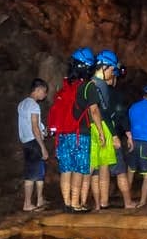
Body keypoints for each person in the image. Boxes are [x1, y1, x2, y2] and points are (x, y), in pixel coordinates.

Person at [73, 50, 121, 210]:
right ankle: (86, 202)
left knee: (97, 167)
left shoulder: (94, 83)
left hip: (94, 126)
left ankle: (98, 203)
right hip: (98, 127)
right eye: (112, 70)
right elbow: (102, 112)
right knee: (98, 167)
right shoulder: (96, 85)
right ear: (104, 67)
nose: (112, 74)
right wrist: (113, 135)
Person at [48, 48, 94, 212]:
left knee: (66, 170)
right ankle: (75, 203)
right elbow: (93, 111)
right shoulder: (84, 87)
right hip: (79, 134)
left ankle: (67, 203)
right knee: (79, 169)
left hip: (62, 136)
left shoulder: (64, 88)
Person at [104, 70, 136, 209]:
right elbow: (122, 115)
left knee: (101, 171)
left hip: (98, 135)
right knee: (121, 171)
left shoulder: (96, 92)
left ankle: (102, 203)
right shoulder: (115, 95)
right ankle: (128, 202)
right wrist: (128, 134)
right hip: (113, 135)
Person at [18, 78, 50, 211]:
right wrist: (43, 148)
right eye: (44, 91)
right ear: (37, 90)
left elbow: (30, 125)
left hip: (26, 142)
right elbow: (34, 127)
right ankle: (29, 203)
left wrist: (44, 130)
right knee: (37, 174)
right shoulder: (34, 105)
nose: (45, 94)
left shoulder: (22, 104)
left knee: (31, 172)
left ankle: (39, 200)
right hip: (34, 142)